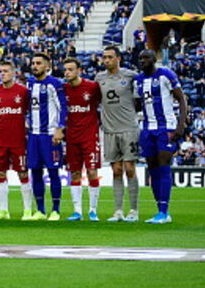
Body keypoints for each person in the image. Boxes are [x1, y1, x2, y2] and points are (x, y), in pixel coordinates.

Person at [134, 49, 188, 224]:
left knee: (164, 163)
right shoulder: (138, 81)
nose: (143, 61)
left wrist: (181, 124)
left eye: (147, 58)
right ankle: (160, 210)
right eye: (141, 58)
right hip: (148, 128)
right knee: (153, 167)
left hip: (167, 127)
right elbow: (136, 104)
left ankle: (164, 211)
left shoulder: (166, 75)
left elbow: (181, 99)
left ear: (153, 59)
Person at [97, 46, 140, 222]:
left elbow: (138, 101)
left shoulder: (130, 76)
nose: (106, 60)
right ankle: (118, 211)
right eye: (104, 57)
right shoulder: (99, 78)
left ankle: (134, 210)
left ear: (118, 58)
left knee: (129, 168)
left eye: (110, 57)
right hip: (109, 129)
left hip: (129, 128)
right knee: (116, 170)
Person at [0, 61, 32, 219]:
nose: (3, 74)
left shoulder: (23, 92)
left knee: (23, 173)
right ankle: (3, 210)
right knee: (0, 173)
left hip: (19, 140)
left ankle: (27, 210)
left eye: (6, 71)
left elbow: (30, 113)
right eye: (1, 71)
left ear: (13, 73)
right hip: (0, 140)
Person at [26, 52, 67, 221]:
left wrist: (60, 129)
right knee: (35, 172)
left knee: (53, 172)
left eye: (38, 63)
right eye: (33, 63)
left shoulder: (54, 84)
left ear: (47, 66)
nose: (35, 66)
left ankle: (55, 210)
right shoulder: (29, 84)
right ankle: (40, 210)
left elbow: (63, 107)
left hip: (50, 135)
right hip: (33, 135)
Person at [62, 58, 102, 221]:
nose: (67, 73)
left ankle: (93, 210)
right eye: (65, 70)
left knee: (92, 172)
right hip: (72, 137)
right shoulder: (63, 89)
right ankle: (77, 211)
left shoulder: (92, 87)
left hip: (90, 136)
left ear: (79, 70)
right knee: (75, 173)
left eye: (71, 69)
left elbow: (103, 104)